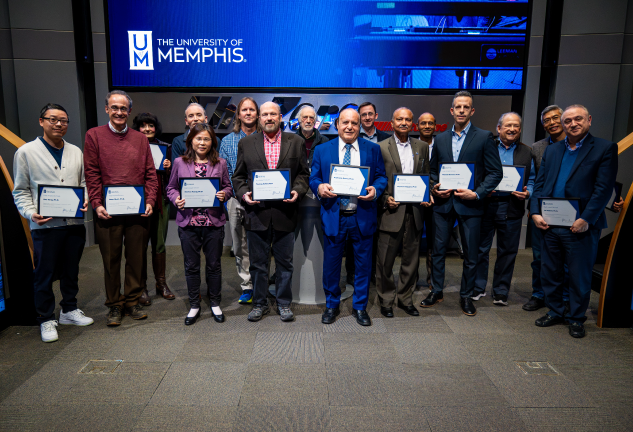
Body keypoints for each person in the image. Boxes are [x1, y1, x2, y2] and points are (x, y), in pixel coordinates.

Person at [523, 105, 624, 312]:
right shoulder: (552, 150)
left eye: (578, 119)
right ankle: (555, 311)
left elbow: (603, 189)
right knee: (550, 271)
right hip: (550, 222)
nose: (573, 124)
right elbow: (539, 184)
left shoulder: (604, 148)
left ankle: (576, 317)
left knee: (579, 274)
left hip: (581, 224)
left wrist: (586, 218)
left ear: (589, 120)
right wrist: (535, 212)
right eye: (568, 121)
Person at [12, 103, 93, 342]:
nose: (59, 124)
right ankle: (46, 318)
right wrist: (30, 213)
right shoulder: (26, 152)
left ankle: (69, 309)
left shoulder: (75, 151)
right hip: (45, 225)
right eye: (53, 119)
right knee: (44, 274)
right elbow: (20, 190)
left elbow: (84, 183)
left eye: (63, 121)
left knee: (71, 270)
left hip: (73, 223)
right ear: (42, 121)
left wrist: (85, 198)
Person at [422, 90, 502, 316]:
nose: (461, 110)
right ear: (452, 110)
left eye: (466, 107)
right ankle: (436, 291)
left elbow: (495, 173)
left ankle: (466, 295)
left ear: (472, 111)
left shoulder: (484, 137)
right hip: (443, 204)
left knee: (470, 254)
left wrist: (476, 194)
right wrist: (435, 187)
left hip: (471, 205)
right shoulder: (441, 139)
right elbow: (433, 171)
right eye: (458, 107)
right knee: (438, 251)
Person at [84, 90, 158, 326]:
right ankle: (115, 304)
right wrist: (96, 203)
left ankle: (132, 301)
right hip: (108, 211)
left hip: (137, 210)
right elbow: (91, 173)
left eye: (123, 108)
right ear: (107, 109)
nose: (119, 112)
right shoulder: (94, 136)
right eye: (114, 107)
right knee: (111, 259)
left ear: (129, 111)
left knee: (136, 258)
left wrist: (150, 200)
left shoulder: (140, 139)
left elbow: (150, 174)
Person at [232, 102, 310, 322]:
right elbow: (238, 177)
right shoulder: (247, 143)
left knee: (285, 263)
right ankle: (259, 304)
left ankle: (284, 303)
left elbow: (303, 175)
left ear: (280, 117)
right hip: (257, 212)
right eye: (265, 114)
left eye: (273, 114)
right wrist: (244, 194)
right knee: (258, 264)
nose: (269, 118)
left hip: (286, 212)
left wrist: (297, 191)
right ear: (259, 118)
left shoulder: (296, 141)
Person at [310, 108, 388, 326]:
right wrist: (319, 187)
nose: (349, 127)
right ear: (337, 124)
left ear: (359, 126)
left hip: (361, 215)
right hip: (334, 215)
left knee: (363, 266)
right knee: (331, 265)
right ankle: (332, 305)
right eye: (345, 122)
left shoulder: (372, 149)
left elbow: (381, 177)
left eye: (354, 123)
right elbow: (314, 177)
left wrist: (376, 189)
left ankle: (360, 307)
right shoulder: (322, 149)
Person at [166, 123, 233, 325]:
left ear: (212, 141)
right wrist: (176, 199)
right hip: (189, 223)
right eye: (198, 138)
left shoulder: (220, 163)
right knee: (191, 266)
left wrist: (224, 194)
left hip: (213, 223)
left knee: (214, 265)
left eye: (206, 139)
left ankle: (215, 303)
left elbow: (228, 187)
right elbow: (171, 188)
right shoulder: (179, 162)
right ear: (191, 141)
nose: (202, 142)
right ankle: (194, 305)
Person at [473, 112, 535, 306]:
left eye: (516, 126)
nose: (512, 129)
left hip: (512, 206)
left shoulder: (528, 152)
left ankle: (500, 291)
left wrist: (528, 192)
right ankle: (478, 287)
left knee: (507, 251)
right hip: (486, 205)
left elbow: (533, 178)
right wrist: (482, 188)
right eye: (508, 125)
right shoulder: (486, 146)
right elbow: (476, 173)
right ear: (499, 128)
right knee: (480, 249)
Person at [376, 108, 431, 318]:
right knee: (385, 261)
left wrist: (428, 192)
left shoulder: (422, 147)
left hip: (415, 211)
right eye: (399, 119)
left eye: (408, 119)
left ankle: (406, 299)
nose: (404, 123)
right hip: (391, 211)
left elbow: (426, 175)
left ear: (413, 124)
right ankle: (386, 300)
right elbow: (377, 178)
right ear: (392, 123)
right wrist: (384, 198)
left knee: (411, 260)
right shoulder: (380, 147)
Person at [131, 112, 175, 305]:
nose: (147, 129)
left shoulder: (165, 148)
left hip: (160, 200)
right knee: (139, 244)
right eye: (143, 125)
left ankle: (161, 283)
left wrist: (168, 167)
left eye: (151, 125)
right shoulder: (131, 146)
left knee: (159, 244)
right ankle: (141, 287)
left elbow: (173, 178)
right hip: (138, 200)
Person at [219, 97, 259, 305]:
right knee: (239, 244)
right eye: (245, 110)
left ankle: (261, 283)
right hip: (235, 200)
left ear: (257, 114)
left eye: (252, 109)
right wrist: (241, 193)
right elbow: (225, 174)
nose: (248, 113)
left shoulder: (265, 138)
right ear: (238, 114)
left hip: (262, 200)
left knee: (261, 244)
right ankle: (247, 286)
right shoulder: (228, 141)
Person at [416, 112, 436, 290]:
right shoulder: (411, 146)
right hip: (414, 200)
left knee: (433, 242)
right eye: (423, 123)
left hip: (436, 201)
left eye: (430, 123)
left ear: (435, 126)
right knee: (413, 241)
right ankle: (412, 279)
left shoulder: (441, 146)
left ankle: (432, 280)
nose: (427, 126)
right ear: (417, 126)